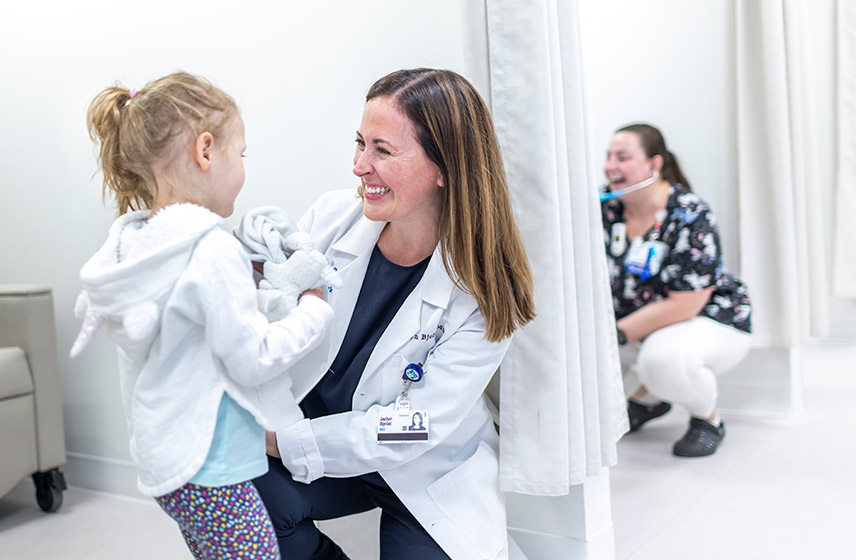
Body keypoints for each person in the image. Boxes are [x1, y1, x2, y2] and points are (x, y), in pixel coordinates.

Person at [250, 68, 536, 560]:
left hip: (423, 468)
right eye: (360, 144)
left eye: (382, 150)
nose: (360, 166)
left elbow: (416, 424)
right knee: (235, 495)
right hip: (322, 437)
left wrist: (285, 443)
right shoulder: (332, 217)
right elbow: (275, 314)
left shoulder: (483, 288)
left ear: (445, 166)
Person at [73, 71, 335, 559]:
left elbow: (193, 336)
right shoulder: (211, 250)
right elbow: (253, 359)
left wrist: (251, 293)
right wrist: (313, 309)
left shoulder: (141, 245)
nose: (242, 167)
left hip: (171, 463)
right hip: (216, 465)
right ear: (206, 150)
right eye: (242, 154)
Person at [600, 123, 752, 458]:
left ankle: (707, 418)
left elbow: (686, 303)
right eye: (608, 156)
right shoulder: (606, 210)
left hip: (709, 318)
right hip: (640, 321)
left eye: (622, 157)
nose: (610, 165)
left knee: (663, 359)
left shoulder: (689, 212)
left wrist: (615, 335)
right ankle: (649, 398)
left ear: (654, 165)